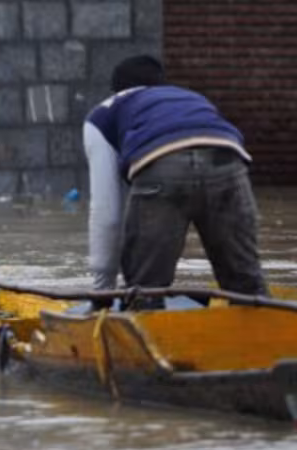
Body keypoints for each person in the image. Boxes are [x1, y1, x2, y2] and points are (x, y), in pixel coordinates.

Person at [83, 55, 268, 307]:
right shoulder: (189, 98)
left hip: (161, 161)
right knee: (246, 285)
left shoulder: (103, 114)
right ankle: (261, 324)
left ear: (116, 90)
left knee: (145, 290)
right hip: (227, 158)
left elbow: (107, 214)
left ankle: (144, 317)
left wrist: (102, 294)